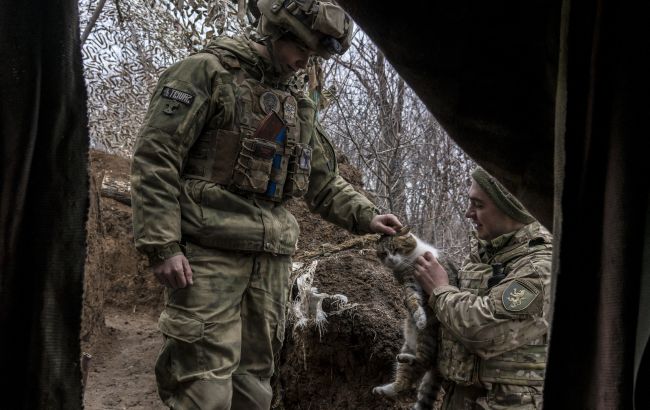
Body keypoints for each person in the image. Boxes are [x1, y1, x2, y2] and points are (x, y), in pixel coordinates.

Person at [130, 1, 402, 408]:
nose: (304, 64)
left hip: (270, 263)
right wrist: (162, 245)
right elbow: (156, 159)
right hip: (209, 255)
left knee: (254, 386)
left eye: (313, 57)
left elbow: (322, 180)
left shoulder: (297, 100)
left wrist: (367, 216)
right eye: (302, 51)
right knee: (203, 387)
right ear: (276, 32)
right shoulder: (206, 73)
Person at [414, 167, 552, 409]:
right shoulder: (485, 253)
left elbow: (486, 329)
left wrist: (440, 290)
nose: (468, 213)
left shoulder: (540, 266)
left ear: (510, 206)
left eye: (478, 205)